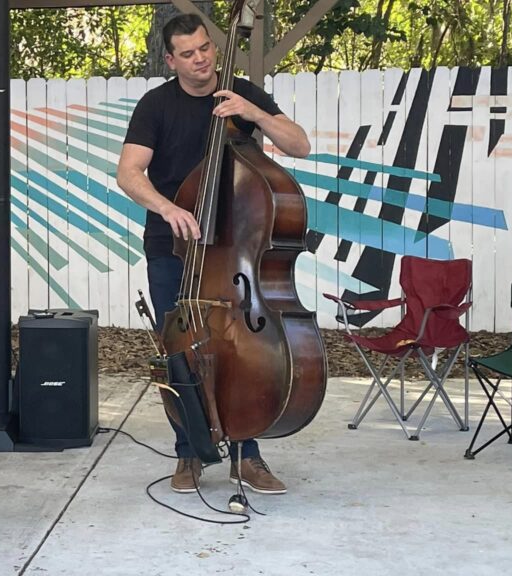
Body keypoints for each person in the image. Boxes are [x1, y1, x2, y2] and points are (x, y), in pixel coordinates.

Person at [116, 14, 311, 495]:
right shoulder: (156, 105)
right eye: (188, 53)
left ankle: (248, 454)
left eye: (205, 48)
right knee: (180, 352)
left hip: (236, 251)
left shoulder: (241, 94)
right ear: (170, 60)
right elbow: (129, 173)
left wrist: (256, 113)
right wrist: (167, 208)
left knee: (246, 349)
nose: (201, 59)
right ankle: (190, 451)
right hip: (174, 248)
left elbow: (299, 145)